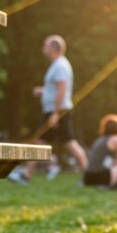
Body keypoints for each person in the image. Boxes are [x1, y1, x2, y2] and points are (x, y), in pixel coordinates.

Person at [9, 35, 88, 184]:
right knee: (47, 143)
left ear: (53, 48)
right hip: (56, 111)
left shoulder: (60, 65)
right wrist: (43, 91)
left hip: (58, 111)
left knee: (67, 144)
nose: (43, 50)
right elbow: (55, 89)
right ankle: (26, 175)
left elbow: (62, 89)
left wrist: (55, 114)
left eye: (45, 46)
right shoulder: (57, 65)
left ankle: (26, 175)